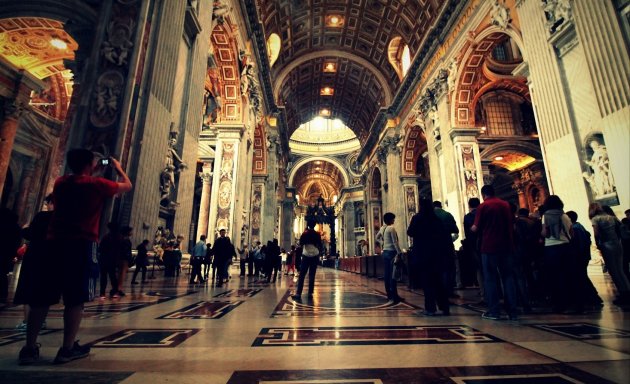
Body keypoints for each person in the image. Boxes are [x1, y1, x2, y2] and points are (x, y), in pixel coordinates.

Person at [17, 148, 132, 365]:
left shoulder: (61, 182)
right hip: (81, 244)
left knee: (41, 298)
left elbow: (81, 179)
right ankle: (67, 349)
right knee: (75, 299)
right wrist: (117, 168)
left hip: (54, 244)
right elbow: (127, 185)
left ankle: (29, 348)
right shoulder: (96, 185)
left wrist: (91, 169)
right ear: (90, 165)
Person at [471, 185, 518, 320]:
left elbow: (475, 227)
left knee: (490, 279)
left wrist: (472, 229)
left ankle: (494, 311)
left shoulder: (483, 206)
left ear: (483, 194)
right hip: (507, 246)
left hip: (489, 246)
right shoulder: (505, 205)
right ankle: (512, 312)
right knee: (508, 278)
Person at [14, 193, 55, 331]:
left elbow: (30, 234)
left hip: (35, 257)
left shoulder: (42, 217)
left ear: (52, 203)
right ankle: (41, 321)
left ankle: (27, 321)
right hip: (51, 259)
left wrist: (25, 228)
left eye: (47, 203)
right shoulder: (64, 219)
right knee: (44, 293)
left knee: (29, 290)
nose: (47, 206)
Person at [408, 199, 452, 316]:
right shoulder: (436, 219)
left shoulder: (417, 218)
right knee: (439, 282)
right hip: (436, 254)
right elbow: (442, 234)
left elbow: (410, 232)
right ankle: (444, 307)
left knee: (427, 282)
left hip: (423, 254)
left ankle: (430, 308)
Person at [589, 203, 630, 305]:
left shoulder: (595, 219)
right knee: (621, 270)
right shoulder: (611, 217)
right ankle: (628, 293)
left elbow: (596, 234)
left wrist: (598, 245)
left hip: (606, 245)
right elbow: (621, 229)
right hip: (617, 244)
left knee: (613, 271)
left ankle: (623, 294)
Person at [566, 211, 602, 308]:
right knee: (583, 276)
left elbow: (580, 244)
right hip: (583, 256)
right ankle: (593, 297)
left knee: (581, 276)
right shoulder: (579, 226)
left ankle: (592, 297)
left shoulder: (575, 228)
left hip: (580, 256)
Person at [377, 212, 404, 304]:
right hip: (392, 252)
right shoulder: (391, 228)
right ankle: (394, 296)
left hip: (385, 252)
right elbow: (395, 242)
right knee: (393, 275)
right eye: (393, 218)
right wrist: (400, 252)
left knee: (387, 274)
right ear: (390, 219)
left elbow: (377, 237)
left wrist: (383, 243)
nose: (394, 220)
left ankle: (389, 294)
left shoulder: (382, 228)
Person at [292, 219, 322, 301]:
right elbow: (320, 245)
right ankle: (310, 293)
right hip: (315, 255)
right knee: (312, 275)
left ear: (308, 225)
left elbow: (301, 243)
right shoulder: (317, 234)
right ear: (314, 225)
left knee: (302, 275)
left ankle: (298, 293)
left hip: (306, 255)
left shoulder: (305, 234)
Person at [98, 222, 122, 298]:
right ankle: (115, 292)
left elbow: (100, 248)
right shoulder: (119, 238)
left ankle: (102, 293)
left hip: (104, 259)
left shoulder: (106, 237)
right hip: (113, 260)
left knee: (103, 276)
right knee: (113, 276)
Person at [118, 226, 133, 295]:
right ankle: (119, 288)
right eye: (130, 231)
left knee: (120, 273)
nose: (131, 232)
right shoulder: (126, 240)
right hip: (124, 259)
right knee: (122, 274)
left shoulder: (121, 239)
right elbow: (127, 251)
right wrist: (129, 259)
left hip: (121, 258)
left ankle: (118, 288)